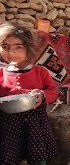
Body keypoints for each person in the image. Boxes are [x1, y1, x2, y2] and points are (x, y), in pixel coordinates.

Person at [0, 22, 58, 165]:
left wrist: (42, 95)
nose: (11, 52)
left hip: (35, 123)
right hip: (8, 124)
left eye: (18, 47)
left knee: (36, 154)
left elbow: (53, 91)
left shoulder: (39, 71)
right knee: (9, 154)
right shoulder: (1, 73)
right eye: (5, 47)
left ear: (28, 49)